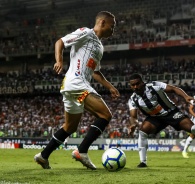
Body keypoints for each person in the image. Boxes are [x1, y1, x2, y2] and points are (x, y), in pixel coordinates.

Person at [34, 11, 120, 170]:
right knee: (105, 115)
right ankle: (82, 151)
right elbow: (60, 41)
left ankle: (43, 156)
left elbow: (95, 71)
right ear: (102, 23)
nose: (113, 30)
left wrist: (110, 87)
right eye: (112, 26)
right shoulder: (86, 33)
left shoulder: (100, 47)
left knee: (70, 127)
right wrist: (59, 60)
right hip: (76, 83)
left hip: (72, 86)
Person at [127, 74, 195, 168]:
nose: (136, 87)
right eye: (133, 85)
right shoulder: (132, 100)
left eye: (137, 84)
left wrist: (185, 96)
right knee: (142, 131)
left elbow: (173, 89)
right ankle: (143, 162)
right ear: (130, 86)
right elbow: (133, 116)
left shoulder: (154, 85)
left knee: (192, 128)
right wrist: (133, 124)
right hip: (155, 118)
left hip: (171, 112)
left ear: (142, 82)